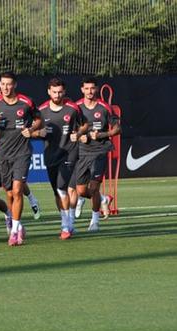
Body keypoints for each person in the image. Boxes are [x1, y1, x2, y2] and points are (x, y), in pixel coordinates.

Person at [0, 72, 41, 246]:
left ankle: (14, 232)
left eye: (9, 84)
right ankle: (18, 225)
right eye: (3, 84)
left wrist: (31, 129)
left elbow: (39, 120)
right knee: (9, 193)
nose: (6, 88)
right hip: (3, 155)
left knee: (17, 190)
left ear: (14, 85)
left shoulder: (26, 102)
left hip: (22, 153)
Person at [34, 78, 83, 239]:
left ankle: (66, 225)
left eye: (60, 92)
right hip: (50, 154)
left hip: (69, 153)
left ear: (64, 91)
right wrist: (38, 133)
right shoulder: (41, 110)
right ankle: (67, 222)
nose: (57, 95)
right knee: (57, 191)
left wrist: (78, 133)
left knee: (62, 187)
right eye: (54, 92)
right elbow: (31, 131)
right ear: (49, 92)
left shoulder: (73, 108)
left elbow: (84, 125)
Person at [75, 77, 119, 232]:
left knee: (93, 187)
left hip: (100, 151)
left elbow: (117, 128)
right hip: (82, 152)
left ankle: (95, 221)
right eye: (86, 88)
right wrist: (79, 136)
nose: (89, 91)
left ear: (97, 89)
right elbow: (72, 130)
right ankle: (103, 199)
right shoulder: (77, 107)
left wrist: (102, 135)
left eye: (92, 88)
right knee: (81, 191)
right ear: (82, 90)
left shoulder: (104, 107)